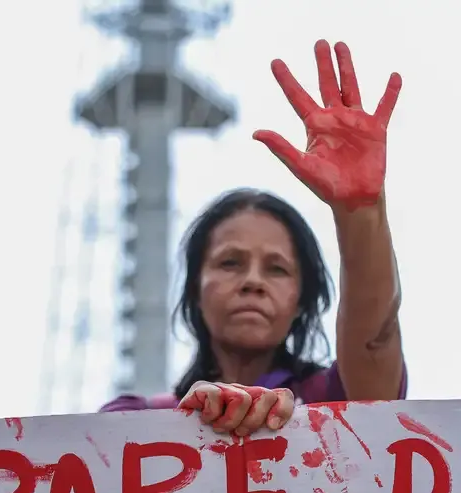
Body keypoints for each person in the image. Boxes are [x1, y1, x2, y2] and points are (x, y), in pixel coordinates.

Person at [100, 39, 406, 435]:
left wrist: (361, 212)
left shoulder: (337, 401)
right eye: (230, 262)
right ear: (195, 288)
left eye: (277, 269)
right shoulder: (132, 421)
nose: (252, 282)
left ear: (302, 300)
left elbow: (375, 340)